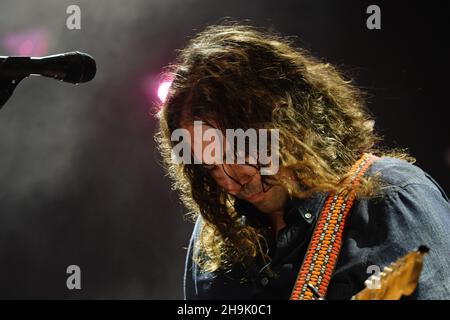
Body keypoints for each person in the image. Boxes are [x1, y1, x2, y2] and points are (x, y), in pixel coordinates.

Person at [155, 23, 450, 300]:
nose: (231, 178)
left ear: (287, 122)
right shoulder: (213, 236)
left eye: (239, 151)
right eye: (209, 165)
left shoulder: (391, 199)